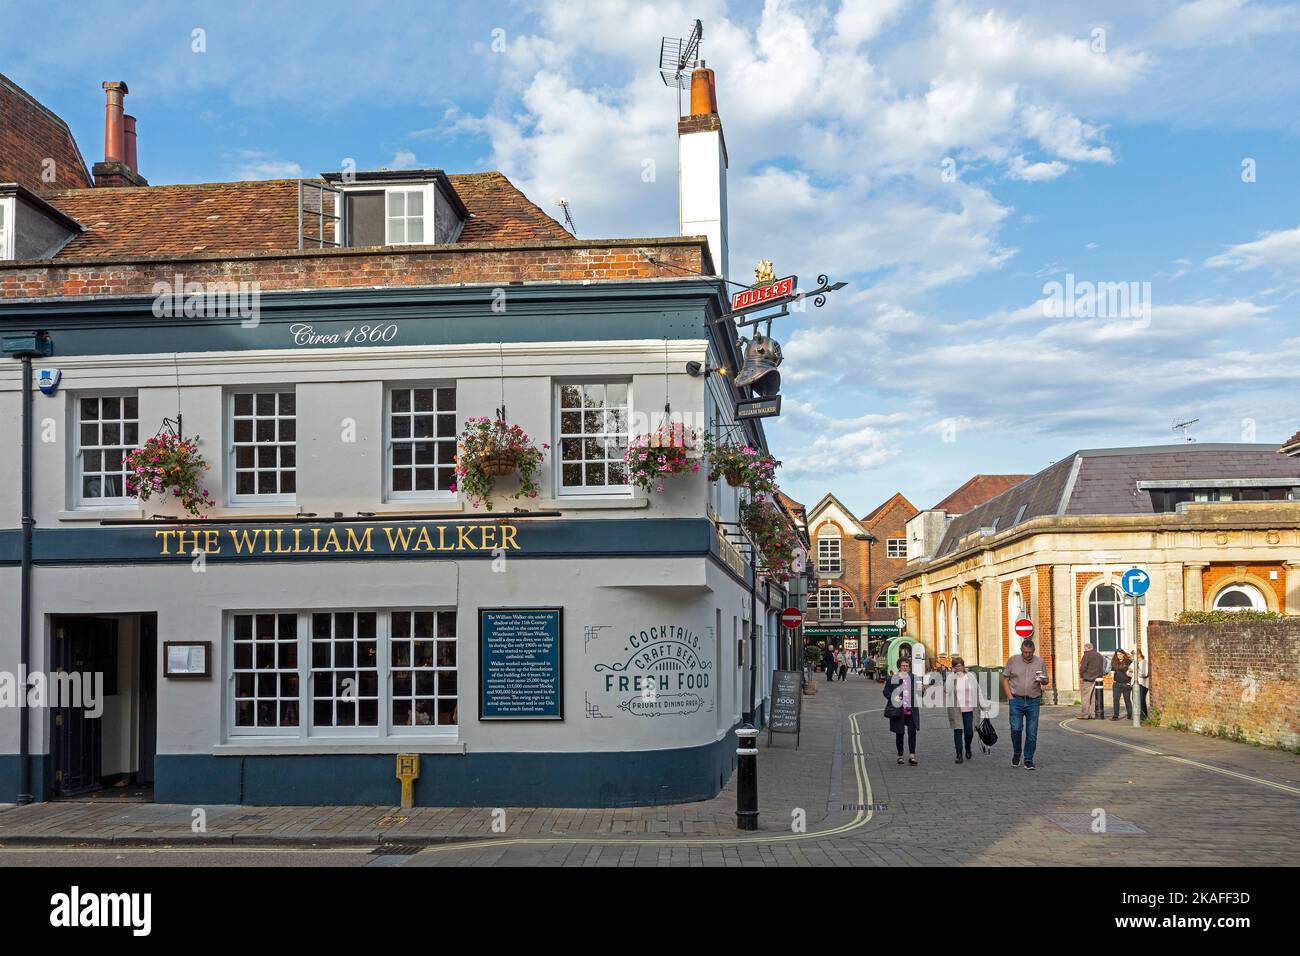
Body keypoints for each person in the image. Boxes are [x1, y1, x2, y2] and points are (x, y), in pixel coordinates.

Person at [1001, 639, 1049, 770]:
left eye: (1030, 652)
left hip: (1033, 701)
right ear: (1021, 650)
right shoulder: (1013, 660)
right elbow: (1005, 678)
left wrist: (1043, 680)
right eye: (1025, 652)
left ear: (1034, 651)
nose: (1027, 655)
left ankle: (1028, 759)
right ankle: (1017, 752)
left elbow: (1046, 681)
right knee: (1016, 729)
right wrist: (1010, 697)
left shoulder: (1040, 661)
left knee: (1032, 732)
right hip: (1016, 700)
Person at [946, 656, 986, 763]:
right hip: (956, 709)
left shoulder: (970, 676)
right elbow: (947, 690)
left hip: (970, 708)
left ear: (963, 666)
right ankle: (959, 754)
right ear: (953, 667)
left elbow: (978, 690)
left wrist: (983, 704)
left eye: (960, 666)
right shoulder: (951, 677)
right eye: (956, 666)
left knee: (969, 732)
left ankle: (967, 747)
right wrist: (952, 676)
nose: (959, 668)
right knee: (958, 731)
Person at [884, 656, 921, 765]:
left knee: (912, 732)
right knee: (899, 733)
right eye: (903, 666)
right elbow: (885, 691)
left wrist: (922, 689)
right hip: (898, 711)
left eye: (907, 666)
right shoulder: (893, 678)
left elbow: (919, 693)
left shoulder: (914, 678)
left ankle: (912, 756)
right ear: (899, 667)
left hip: (911, 710)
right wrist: (893, 697)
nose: (905, 668)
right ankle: (900, 756)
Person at [1078, 643, 1106, 719]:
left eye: (1084, 648)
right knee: (1094, 698)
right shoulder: (1099, 655)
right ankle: (1093, 714)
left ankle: (1085, 714)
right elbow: (1102, 667)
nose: (1084, 650)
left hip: (1087, 678)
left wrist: (1081, 676)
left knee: (1085, 698)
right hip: (1097, 679)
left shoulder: (1086, 655)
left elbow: (1083, 667)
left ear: (1086, 648)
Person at [1110, 649, 1133, 720]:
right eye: (1117, 655)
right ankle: (1115, 715)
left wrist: (1131, 671)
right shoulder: (1114, 662)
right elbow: (1112, 670)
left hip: (1126, 684)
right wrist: (1112, 674)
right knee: (1116, 699)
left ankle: (1130, 714)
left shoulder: (1128, 662)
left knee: (1127, 700)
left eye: (1120, 654)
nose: (1119, 656)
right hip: (1117, 683)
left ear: (1123, 654)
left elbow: (1132, 671)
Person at [1136, 650, 1151, 720]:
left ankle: (1145, 715)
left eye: (1135, 655)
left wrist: (1138, 670)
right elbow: (1129, 673)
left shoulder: (1145, 662)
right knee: (1136, 699)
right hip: (1137, 683)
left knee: (1142, 699)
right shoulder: (1136, 663)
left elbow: (1145, 674)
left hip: (1143, 683)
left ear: (1139, 655)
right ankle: (1140, 714)